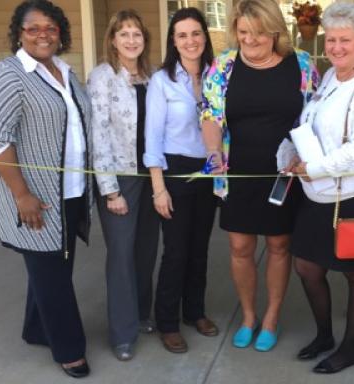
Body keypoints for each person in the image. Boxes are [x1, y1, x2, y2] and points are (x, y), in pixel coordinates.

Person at [0, 0, 92, 378]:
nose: (43, 34)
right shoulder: (7, 74)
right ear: (19, 34)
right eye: (33, 28)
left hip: (71, 191)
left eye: (51, 27)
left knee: (54, 268)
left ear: (61, 32)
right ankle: (69, 349)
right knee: (52, 274)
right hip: (35, 196)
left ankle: (36, 329)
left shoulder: (66, 71)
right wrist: (22, 195)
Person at [282, 2, 354, 374]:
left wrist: (315, 168)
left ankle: (349, 348)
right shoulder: (330, 76)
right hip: (320, 192)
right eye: (331, 39)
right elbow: (310, 120)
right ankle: (324, 335)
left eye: (345, 40)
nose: (336, 47)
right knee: (308, 267)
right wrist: (290, 149)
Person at [201, 0, 318, 352]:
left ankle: (271, 317)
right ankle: (249, 316)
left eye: (259, 33)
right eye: (243, 32)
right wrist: (213, 153)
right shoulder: (223, 66)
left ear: (275, 31)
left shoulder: (301, 64)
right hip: (237, 173)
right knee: (240, 246)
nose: (250, 40)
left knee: (280, 244)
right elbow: (210, 115)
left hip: (284, 174)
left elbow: (314, 117)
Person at [144, 7, 218, 354]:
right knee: (176, 251)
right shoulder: (162, 81)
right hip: (173, 171)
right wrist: (158, 188)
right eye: (182, 35)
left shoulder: (217, 75)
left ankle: (195, 311)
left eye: (196, 33)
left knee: (200, 249)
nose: (190, 41)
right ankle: (168, 322)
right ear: (174, 41)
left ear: (205, 36)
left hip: (208, 171)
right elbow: (152, 137)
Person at [87, 9, 159, 361]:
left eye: (137, 34)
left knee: (146, 250)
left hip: (152, 175)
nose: (131, 40)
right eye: (124, 34)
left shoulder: (152, 76)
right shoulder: (103, 77)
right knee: (121, 255)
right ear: (113, 40)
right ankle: (122, 333)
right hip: (121, 178)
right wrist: (109, 190)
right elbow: (97, 132)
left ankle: (142, 314)